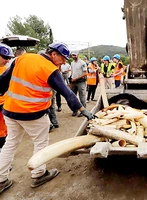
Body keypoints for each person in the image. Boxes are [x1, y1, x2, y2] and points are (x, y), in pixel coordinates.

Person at [0, 42, 95, 193]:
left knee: (10, 143)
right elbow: (67, 92)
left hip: (10, 111)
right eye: (63, 58)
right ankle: (38, 174)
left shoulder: (22, 58)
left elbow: (3, 80)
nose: (64, 62)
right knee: (40, 142)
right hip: (33, 114)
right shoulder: (50, 69)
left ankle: (1, 180)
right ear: (53, 54)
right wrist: (83, 110)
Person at [0, 44, 14, 153]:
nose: (7, 60)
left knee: (4, 132)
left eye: (9, 58)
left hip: (4, 106)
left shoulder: (6, 70)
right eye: (5, 57)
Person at [70, 51, 87, 117]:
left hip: (80, 82)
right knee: (73, 97)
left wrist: (76, 78)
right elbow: (72, 72)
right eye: (72, 55)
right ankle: (75, 110)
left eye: (75, 55)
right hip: (73, 82)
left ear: (78, 55)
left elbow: (85, 73)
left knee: (82, 97)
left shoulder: (82, 63)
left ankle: (83, 111)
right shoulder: (72, 63)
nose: (73, 56)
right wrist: (70, 79)